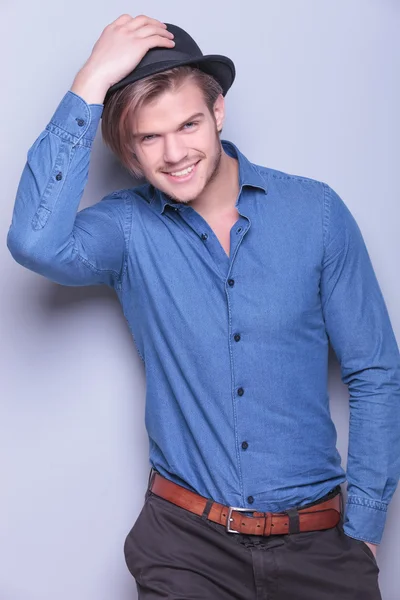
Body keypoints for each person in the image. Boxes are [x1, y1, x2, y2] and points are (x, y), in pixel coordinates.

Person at [7, 13, 400, 600]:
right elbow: (35, 242)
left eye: (189, 124)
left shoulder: (315, 214)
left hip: (319, 544)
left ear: (218, 114)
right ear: (129, 149)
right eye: (149, 137)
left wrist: (364, 526)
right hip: (186, 547)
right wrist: (89, 80)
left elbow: (375, 372)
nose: (175, 153)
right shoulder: (127, 229)